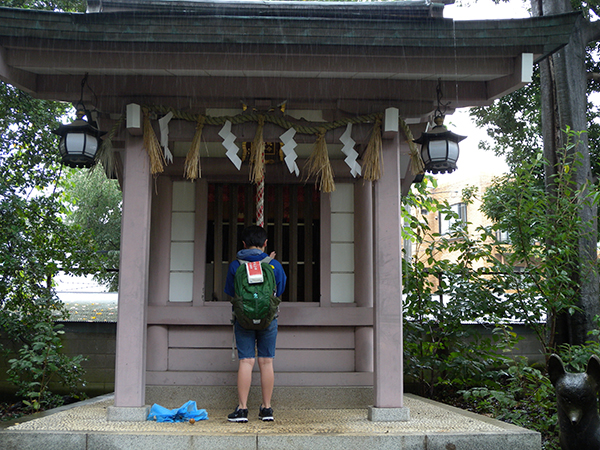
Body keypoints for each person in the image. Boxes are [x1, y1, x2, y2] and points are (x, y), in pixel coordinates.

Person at [224, 225, 287, 422]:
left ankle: (242, 409)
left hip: (243, 320)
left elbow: (230, 291)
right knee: (266, 361)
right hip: (268, 318)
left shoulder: (236, 265)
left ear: (243, 244)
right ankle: (266, 409)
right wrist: (271, 263)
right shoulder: (274, 265)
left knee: (246, 361)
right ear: (265, 244)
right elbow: (281, 287)